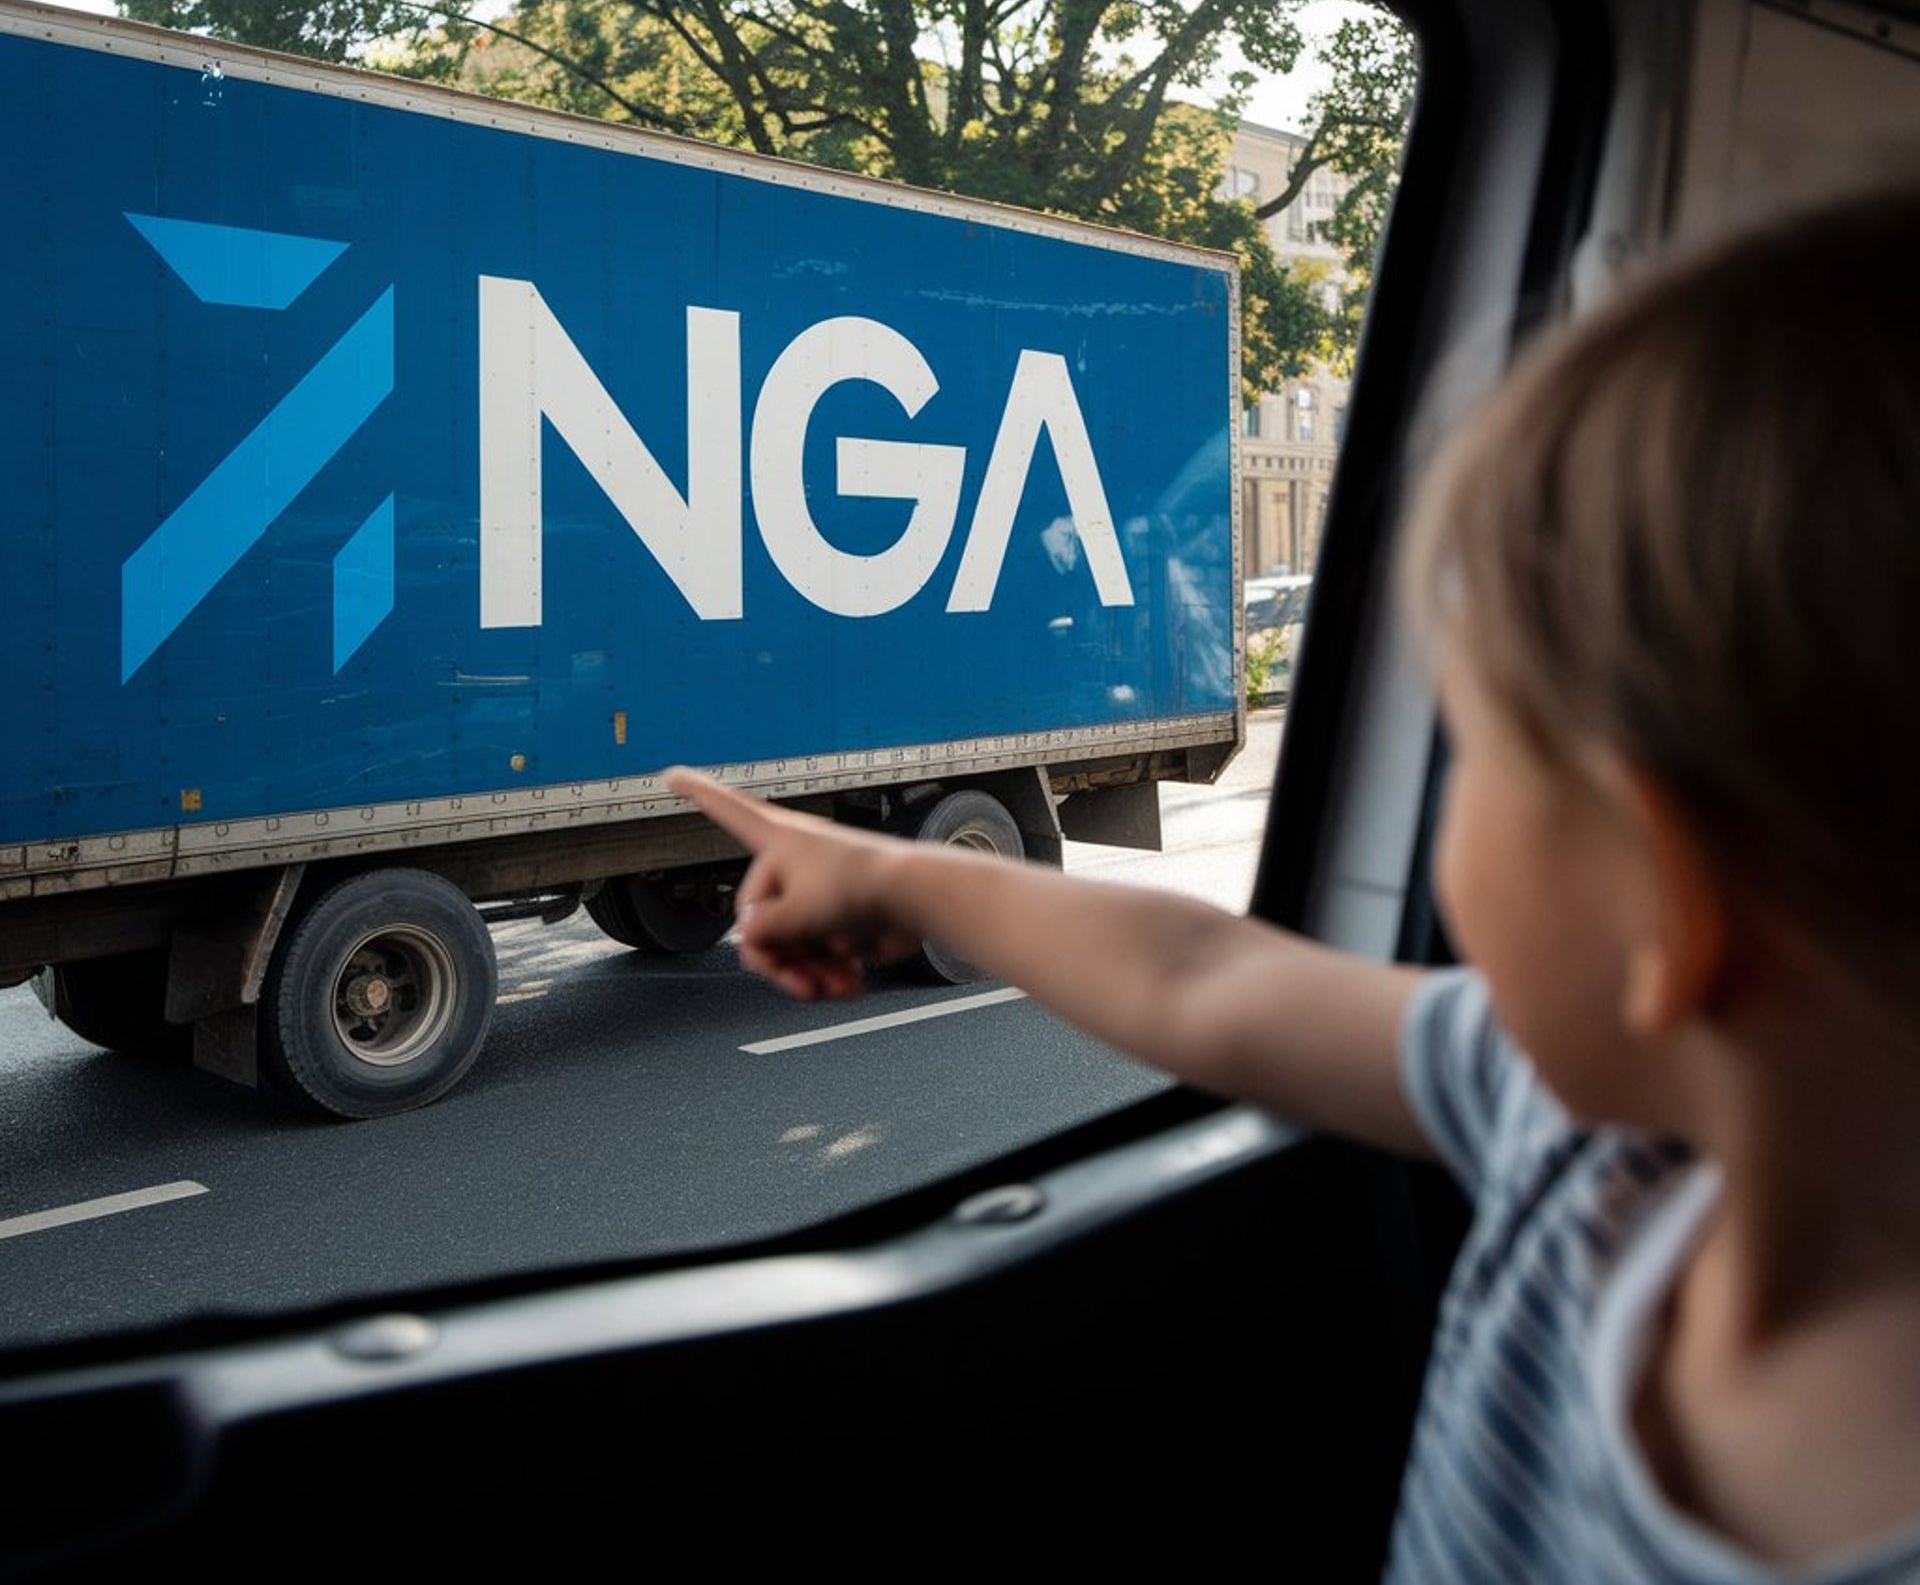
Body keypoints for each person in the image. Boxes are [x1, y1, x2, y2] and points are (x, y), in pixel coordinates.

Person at [667, 181, 1920, 1583]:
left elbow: (1210, 982)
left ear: (1666, 913)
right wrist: (897, 876)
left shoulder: (1572, 1147)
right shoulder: (1572, 1115)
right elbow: (1204, 975)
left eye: (1474, 746)